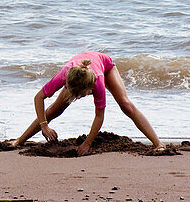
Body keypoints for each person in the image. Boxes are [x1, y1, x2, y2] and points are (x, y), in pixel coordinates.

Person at [11, 51, 165, 154]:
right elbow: (39, 98)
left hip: (106, 66)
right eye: (75, 94)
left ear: (90, 89)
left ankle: (158, 144)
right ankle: (20, 140)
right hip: (79, 78)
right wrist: (44, 125)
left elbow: (99, 116)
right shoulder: (64, 75)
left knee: (126, 105)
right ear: (67, 84)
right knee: (53, 111)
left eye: (82, 95)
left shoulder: (98, 82)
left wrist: (87, 143)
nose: (78, 98)